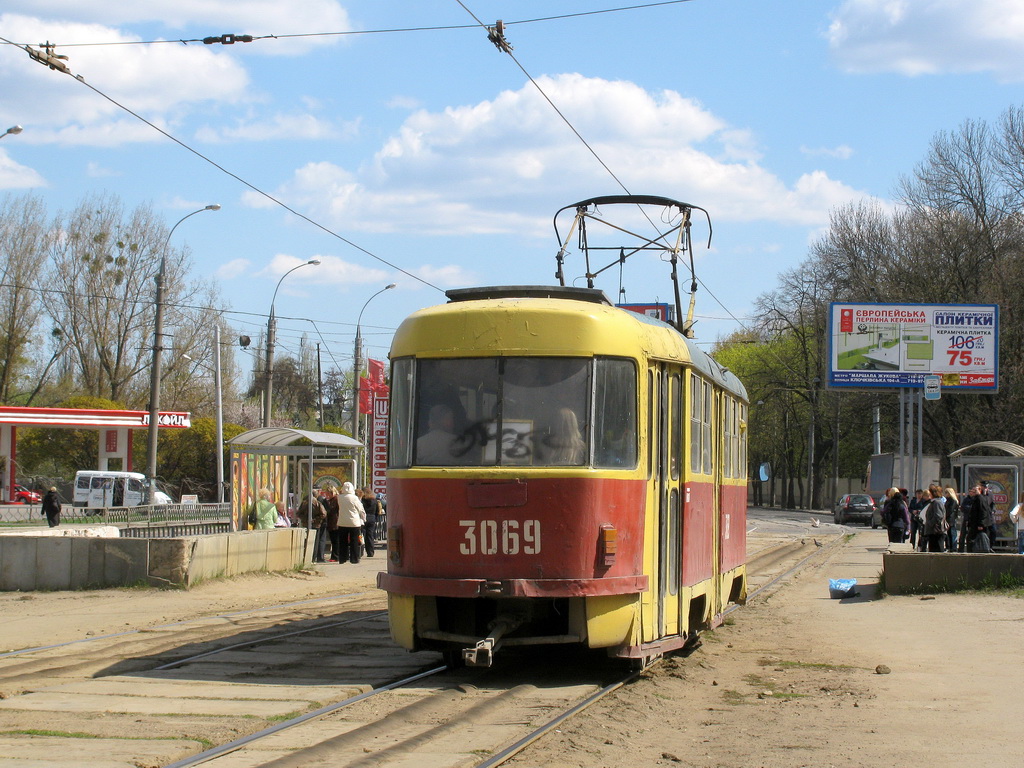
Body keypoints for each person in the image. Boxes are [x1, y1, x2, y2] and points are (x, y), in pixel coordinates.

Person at [336, 482, 366, 564]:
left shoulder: (339, 497)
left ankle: (342, 558)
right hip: (354, 522)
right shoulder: (354, 498)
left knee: (342, 541)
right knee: (354, 541)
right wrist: (364, 519)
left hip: (342, 522)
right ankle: (354, 558)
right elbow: (360, 509)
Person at [299, 491, 328, 562]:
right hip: (316, 525)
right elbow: (324, 514)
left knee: (307, 541)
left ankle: (307, 557)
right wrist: (315, 520)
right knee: (315, 542)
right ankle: (313, 558)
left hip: (306, 525)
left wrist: (305, 520)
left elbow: (299, 513)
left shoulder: (304, 503)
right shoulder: (317, 503)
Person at [360, 485, 380, 557]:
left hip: (364, 518)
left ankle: (361, 551)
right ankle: (370, 552)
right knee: (370, 536)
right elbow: (377, 510)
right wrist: (375, 518)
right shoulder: (374, 500)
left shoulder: (362, 500)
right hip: (372, 518)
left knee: (362, 535)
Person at [323, 486, 341, 561]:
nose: (327, 495)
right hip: (332, 522)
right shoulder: (331, 500)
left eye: (328, 494)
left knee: (335, 540)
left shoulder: (336, 499)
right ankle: (335, 556)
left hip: (335, 522)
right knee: (334, 540)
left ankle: (335, 556)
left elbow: (333, 510)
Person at [943, 487, 961, 552]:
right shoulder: (947, 500)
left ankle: (953, 547)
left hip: (951, 519)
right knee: (948, 534)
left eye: (947, 493)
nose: (945, 494)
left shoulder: (953, 501)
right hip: (947, 519)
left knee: (952, 534)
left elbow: (950, 510)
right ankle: (949, 546)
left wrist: (945, 514)